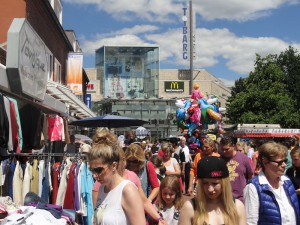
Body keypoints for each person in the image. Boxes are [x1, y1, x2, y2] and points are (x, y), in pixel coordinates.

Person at [92, 143, 164, 223]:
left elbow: (145, 200)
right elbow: (97, 215)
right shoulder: (100, 185)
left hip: (142, 215)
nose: (131, 164)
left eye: (135, 161)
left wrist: (158, 218)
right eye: (129, 161)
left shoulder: (130, 181)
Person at [88, 129, 146, 225]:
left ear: (114, 166)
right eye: (92, 170)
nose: (94, 175)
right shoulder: (102, 189)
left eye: (99, 170)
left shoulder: (128, 190)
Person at [244, 141, 300, 225]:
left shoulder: (287, 181)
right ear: (265, 162)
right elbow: (250, 222)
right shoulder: (253, 187)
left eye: (285, 160)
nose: (284, 164)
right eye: (279, 162)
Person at [179, 156, 246, 225]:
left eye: (215, 183)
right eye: (205, 183)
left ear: (224, 183)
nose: (210, 189)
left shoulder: (238, 207)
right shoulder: (190, 207)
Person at [220, 135, 253, 202]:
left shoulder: (244, 158)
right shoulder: (220, 159)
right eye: (222, 149)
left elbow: (250, 176)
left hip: (240, 198)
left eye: (227, 149)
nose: (224, 152)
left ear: (233, 146)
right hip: (224, 198)